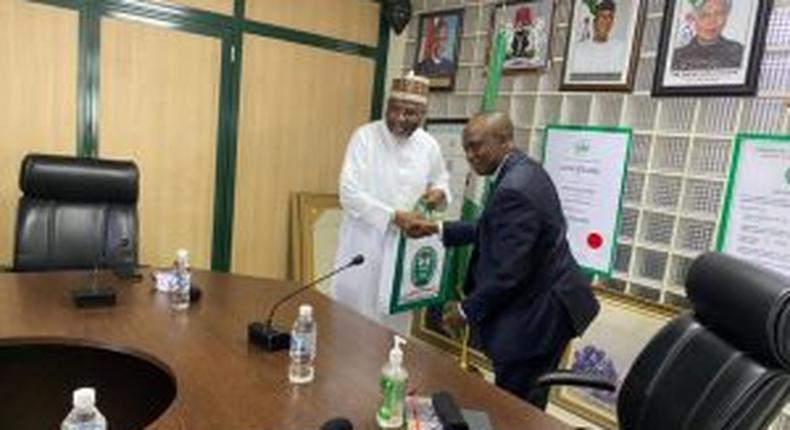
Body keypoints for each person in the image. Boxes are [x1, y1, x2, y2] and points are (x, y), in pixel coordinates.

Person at [405, 112, 600, 409]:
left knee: (515, 405)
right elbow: (493, 226)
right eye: (466, 148)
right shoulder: (521, 171)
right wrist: (437, 228)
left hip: (538, 313)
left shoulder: (515, 188)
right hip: (543, 300)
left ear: (505, 141)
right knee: (521, 401)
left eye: (476, 146)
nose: (470, 156)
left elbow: (509, 273)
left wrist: (464, 310)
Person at [331, 72, 451, 334]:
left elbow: (441, 177)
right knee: (353, 325)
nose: (399, 117)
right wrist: (394, 216)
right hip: (363, 246)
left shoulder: (428, 145)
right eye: (394, 109)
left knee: (393, 330)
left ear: (422, 115)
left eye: (409, 113)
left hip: (403, 252)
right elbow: (348, 192)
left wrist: (439, 192)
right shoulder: (365, 137)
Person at [671, 0, 743, 71]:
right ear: (691, 18)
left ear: (726, 17)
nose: (711, 21)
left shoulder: (739, 53)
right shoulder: (675, 57)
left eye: (719, 14)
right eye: (704, 15)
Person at [569, 0, 627, 75]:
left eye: (610, 17)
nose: (607, 22)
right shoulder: (578, 50)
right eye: (603, 17)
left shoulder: (621, 49)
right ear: (594, 21)